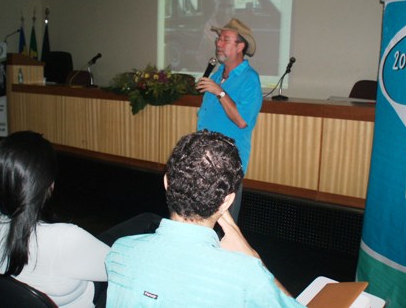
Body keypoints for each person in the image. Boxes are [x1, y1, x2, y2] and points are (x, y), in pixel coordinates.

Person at [105, 130, 304, 308]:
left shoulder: (120, 251)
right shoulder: (246, 275)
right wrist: (255, 260)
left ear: (167, 183)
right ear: (227, 202)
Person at [0, 131, 161, 308]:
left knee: (143, 221)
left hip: (70, 265)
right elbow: (122, 269)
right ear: (47, 183)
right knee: (147, 232)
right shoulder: (65, 239)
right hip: (92, 291)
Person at [196, 18, 263, 222]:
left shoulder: (250, 79)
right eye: (219, 39)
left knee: (225, 222)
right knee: (202, 218)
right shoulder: (216, 75)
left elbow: (242, 121)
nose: (218, 43)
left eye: (225, 39)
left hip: (228, 162)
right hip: (204, 156)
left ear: (240, 46)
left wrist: (220, 93)